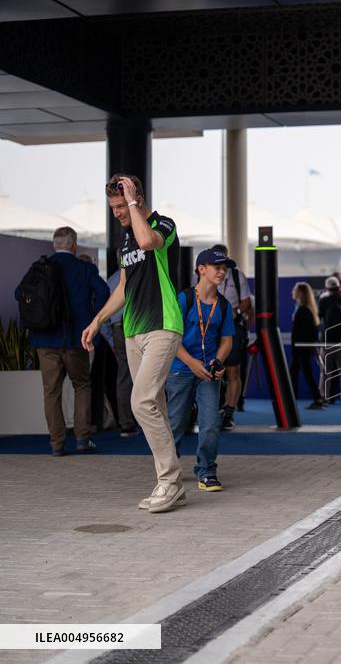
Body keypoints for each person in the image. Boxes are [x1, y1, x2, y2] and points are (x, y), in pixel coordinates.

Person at [82, 173, 186, 514]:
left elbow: (147, 242)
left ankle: (169, 481)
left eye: (120, 206)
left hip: (163, 325)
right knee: (153, 405)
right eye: (112, 208)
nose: (117, 214)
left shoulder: (163, 225)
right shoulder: (123, 243)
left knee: (140, 402)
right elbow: (124, 288)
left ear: (135, 197)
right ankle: (172, 486)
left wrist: (133, 203)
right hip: (133, 332)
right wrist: (97, 321)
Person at [15, 227, 109, 456]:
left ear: (54, 245)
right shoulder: (84, 268)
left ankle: (56, 444)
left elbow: (20, 294)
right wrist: (92, 319)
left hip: (44, 339)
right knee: (82, 385)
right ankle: (82, 439)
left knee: (51, 391)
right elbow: (104, 292)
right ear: (74, 244)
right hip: (76, 339)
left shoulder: (39, 267)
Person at [165, 249, 234, 492]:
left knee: (211, 422)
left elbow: (227, 340)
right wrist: (192, 363)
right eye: (217, 266)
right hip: (180, 370)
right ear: (200, 269)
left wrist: (218, 361)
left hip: (208, 373)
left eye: (224, 267)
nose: (222, 271)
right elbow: (172, 337)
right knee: (175, 422)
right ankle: (168, 474)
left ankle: (206, 471)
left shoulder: (224, 306)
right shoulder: (183, 299)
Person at [212, 244, 252, 431]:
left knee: (233, 371)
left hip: (232, 327)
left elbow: (246, 303)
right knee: (210, 370)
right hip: (210, 328)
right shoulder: (201, 275)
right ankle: (213, 410)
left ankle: (229, 412)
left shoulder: (237, 276)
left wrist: (233, 311)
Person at [99, 268, 139, 436]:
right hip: (138, 325)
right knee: (147, 372)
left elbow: (104, 317)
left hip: (118, 329)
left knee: (124, 375)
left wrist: (111, 341)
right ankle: (147, 420)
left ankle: (126, 424)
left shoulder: (111, 280)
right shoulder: (141, 273)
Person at [318, 275, 341, 406]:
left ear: (327, 287)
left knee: (325, 372)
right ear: (339, 286)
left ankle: (323, 397)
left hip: (327, 340)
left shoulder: (322, 300)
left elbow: (319, 317)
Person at [290, 282, 324, 410]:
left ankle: (317, 398)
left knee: (305, 373)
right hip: (301, 348)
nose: (293, 291)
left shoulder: (304, 310)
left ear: (301, 293)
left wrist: (300, 346)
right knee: (294, 373)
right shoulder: (303, 308)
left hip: (301, 348)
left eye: (295, 289)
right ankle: (292, 399)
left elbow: (305, 332)